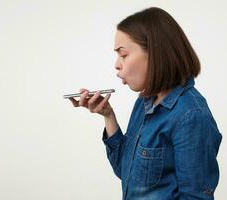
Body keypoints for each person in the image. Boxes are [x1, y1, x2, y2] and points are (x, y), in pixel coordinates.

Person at [68, 7, 222, 200]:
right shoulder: (144, 102)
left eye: (123, 55)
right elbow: (125, 171)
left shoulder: (191, 116)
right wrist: (108, 115)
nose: (117, 64)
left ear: (156, 53)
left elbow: (195, 196)